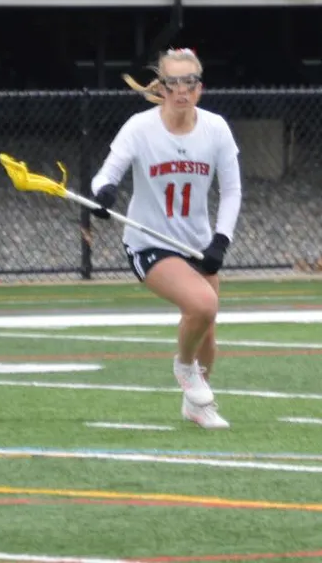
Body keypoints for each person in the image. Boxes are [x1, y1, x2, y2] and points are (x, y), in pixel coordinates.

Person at [90, 49, 242, 430]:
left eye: (189, 82)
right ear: (162, 87)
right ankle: (184, 369)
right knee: (203, 304)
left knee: (207, 328)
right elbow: (105, 174)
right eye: (173, 82)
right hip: (149, 243)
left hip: (197, 244)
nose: (181, 90)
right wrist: (105, 193)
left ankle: (196, 404)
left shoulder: (216, 129)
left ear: (199, 88)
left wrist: (220, 240)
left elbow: (232, 191)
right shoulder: (140, 128)